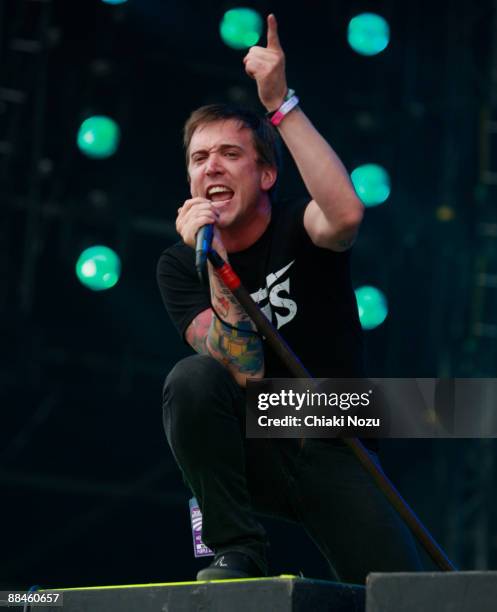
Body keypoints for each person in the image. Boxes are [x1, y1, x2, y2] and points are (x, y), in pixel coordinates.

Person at [157, 14, 422, 583]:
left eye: (229, 154)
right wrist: (215, 264)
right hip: (255, 432)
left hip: (333, 426)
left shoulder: (297, 225)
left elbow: (347, 214)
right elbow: (242, 369)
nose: (211, 168)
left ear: (267, 174)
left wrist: (281, 104)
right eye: (199, 159)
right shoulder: (183, 262)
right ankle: (236, 552)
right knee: (191, 380)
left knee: (404, 593)